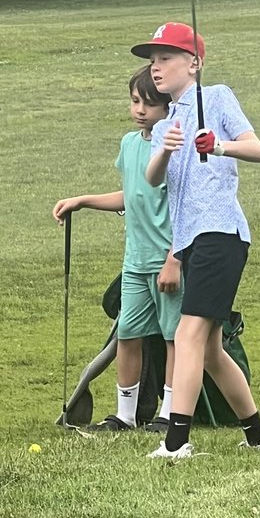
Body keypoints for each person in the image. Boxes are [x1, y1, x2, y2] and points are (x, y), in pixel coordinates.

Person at [132, 21, 260, 460]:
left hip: (221, 231)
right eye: (153, 61)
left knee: (189, 331)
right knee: (212, 349)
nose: (156, 68)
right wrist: (166, 149)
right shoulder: (165, 123)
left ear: (193, 64)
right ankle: (258, 437)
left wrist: (217, 146)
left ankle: (176, 441)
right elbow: (153, 179)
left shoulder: (217, 97)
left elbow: (258, 149)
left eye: (166, 58)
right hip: (190, 239)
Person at [52, 65, 181, 432]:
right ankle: (125, 415)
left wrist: (175, 257)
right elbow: (132, 195)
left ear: (168, 107)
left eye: (151, 104)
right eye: (135, 101)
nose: (141, 109)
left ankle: (169, 414)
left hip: (167, 260)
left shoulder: (173, 148)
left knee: (173, 338)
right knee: (128, 335)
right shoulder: (128, 144)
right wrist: (83, 200)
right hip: (136, 261)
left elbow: (185, 206)